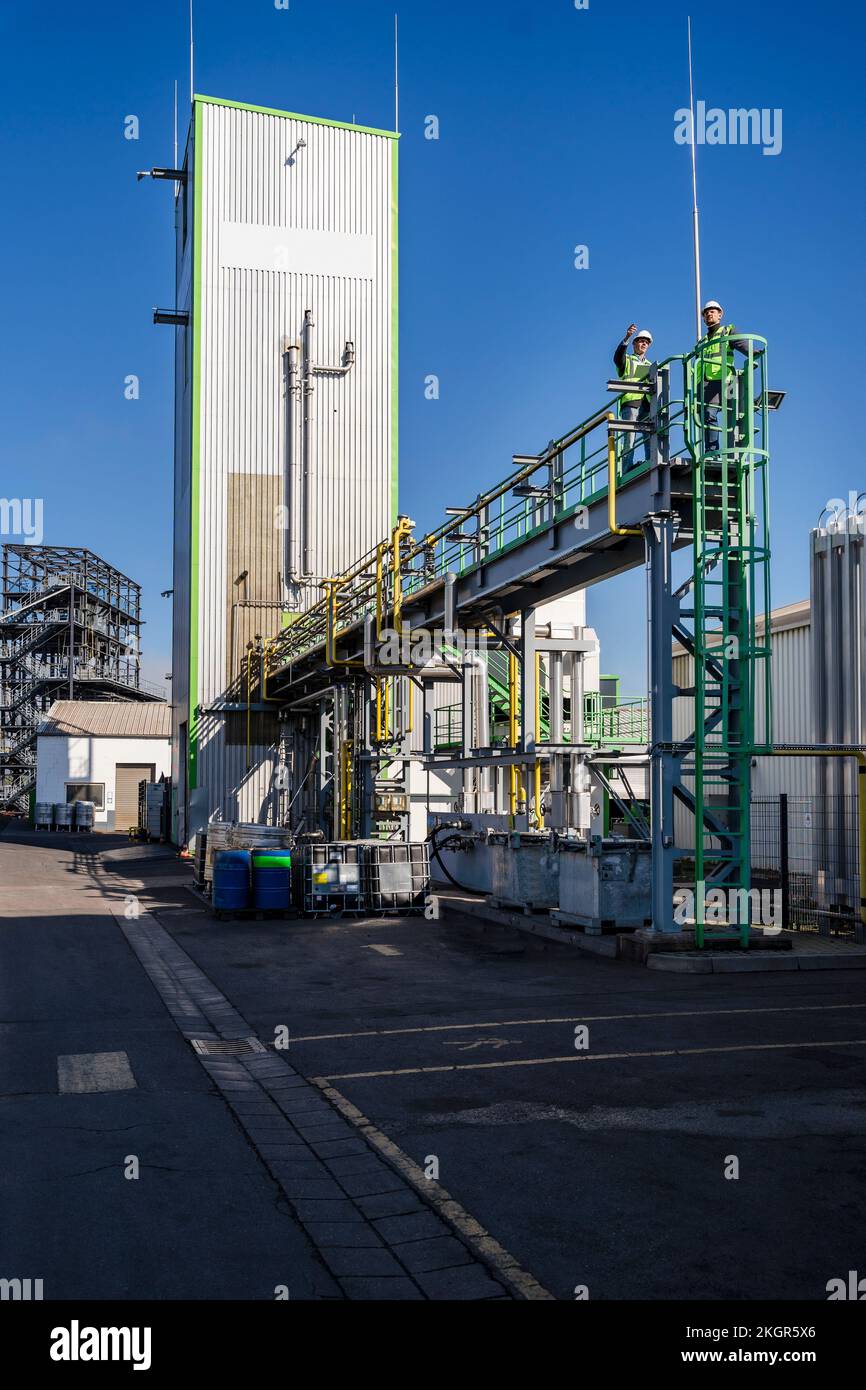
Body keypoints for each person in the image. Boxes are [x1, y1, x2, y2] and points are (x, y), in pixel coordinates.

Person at [694, 300, 760, 454]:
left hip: (724, 380)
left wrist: (752, 352)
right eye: (706, 312)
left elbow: (741, 344)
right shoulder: (702, 341)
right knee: (705, 416)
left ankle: (725, 451)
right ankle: (711, 450)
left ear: (720, 314)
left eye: (713, 311)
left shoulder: (727, 331)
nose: (709, 314)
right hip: (705, 383)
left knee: (727, 413)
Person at [614, 325, 654, 469]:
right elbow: (617, 358)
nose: (643, 344)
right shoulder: (628, 360)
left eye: (646, 342)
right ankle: (626, 467)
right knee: (629, 437)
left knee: (649, 436)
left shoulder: (651, 365)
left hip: (647, 404)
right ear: (634, 343)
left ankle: (651, 461)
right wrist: (626, 338)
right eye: (641, 341)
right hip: (631, 402)